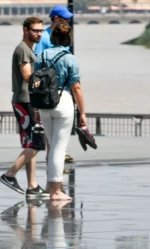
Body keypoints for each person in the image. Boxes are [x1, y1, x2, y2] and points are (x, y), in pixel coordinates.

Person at [35, 24, 87, 201]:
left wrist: (36, 109)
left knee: (51, 147)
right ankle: (56, 191)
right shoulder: (70, 58)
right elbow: (76, 87)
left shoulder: (41, 56)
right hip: (63, 101)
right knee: (59, 148)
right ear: (68, 39)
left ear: (52, 38)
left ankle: (52, 187)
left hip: (43, 104)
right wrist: (82, 112)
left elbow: (34, 84)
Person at [0, 17, 47, 199]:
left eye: (41, 30)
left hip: (28, 100)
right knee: (37, 143)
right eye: (36, 30)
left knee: (30, 143)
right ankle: (10, 174)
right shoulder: (23, 50)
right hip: (24, 101)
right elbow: (27, 76)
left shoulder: (28, 50)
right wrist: (46, 79)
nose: (39, 34)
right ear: (26, 30)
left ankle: (32, 186)